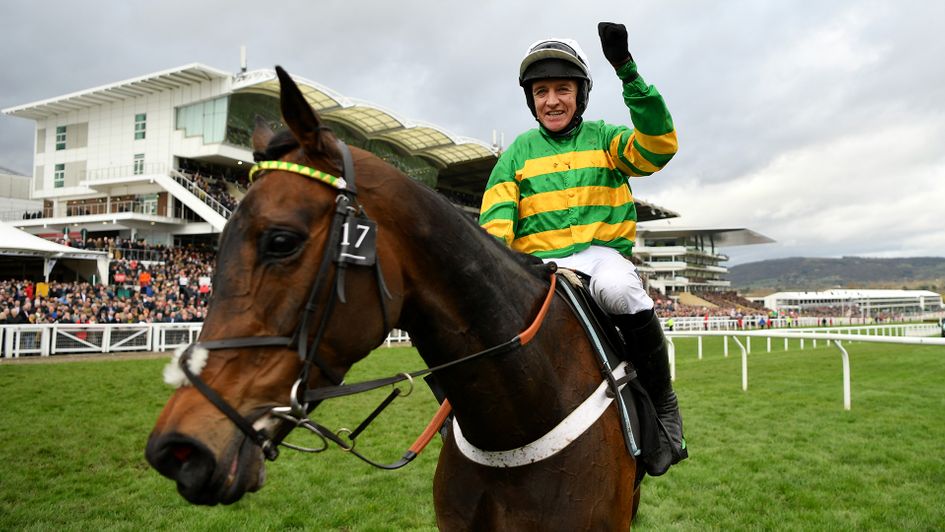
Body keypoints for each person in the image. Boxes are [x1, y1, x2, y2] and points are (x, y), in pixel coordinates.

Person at [479, 22, 686, 475]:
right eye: (541, 92)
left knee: (621, 290)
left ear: (581, 94)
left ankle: (663, 404)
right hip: (538, 267)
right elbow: (495, 223)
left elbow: (658, 147)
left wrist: (627, 70)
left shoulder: (607, 139)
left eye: (562, 89)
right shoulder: (515, 154)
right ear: (530, 99)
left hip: (600, 257)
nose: (551, 100)